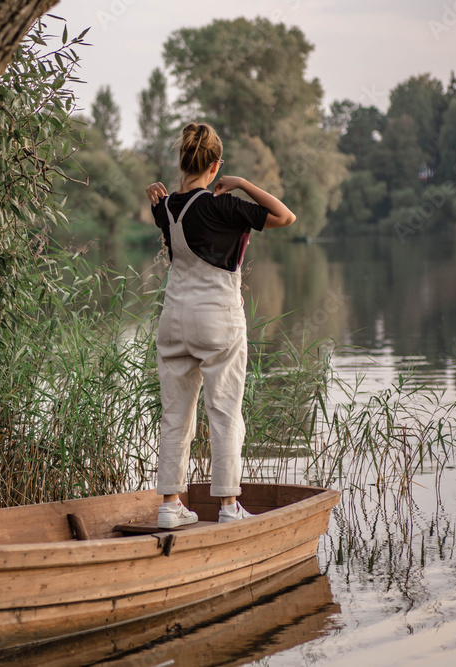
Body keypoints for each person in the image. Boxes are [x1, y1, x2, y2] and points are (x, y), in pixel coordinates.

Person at [146, 122, 296, 528]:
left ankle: (169, 506)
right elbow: (285, 216)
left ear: (182, 161)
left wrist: (158, 199)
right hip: (217, 319)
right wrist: (244, 183)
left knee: (175, 414)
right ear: (216, 166)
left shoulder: (166, 208)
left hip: (174, 320)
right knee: (225, 411)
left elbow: (164, 210)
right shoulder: (223, 206)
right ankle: (229, 505)